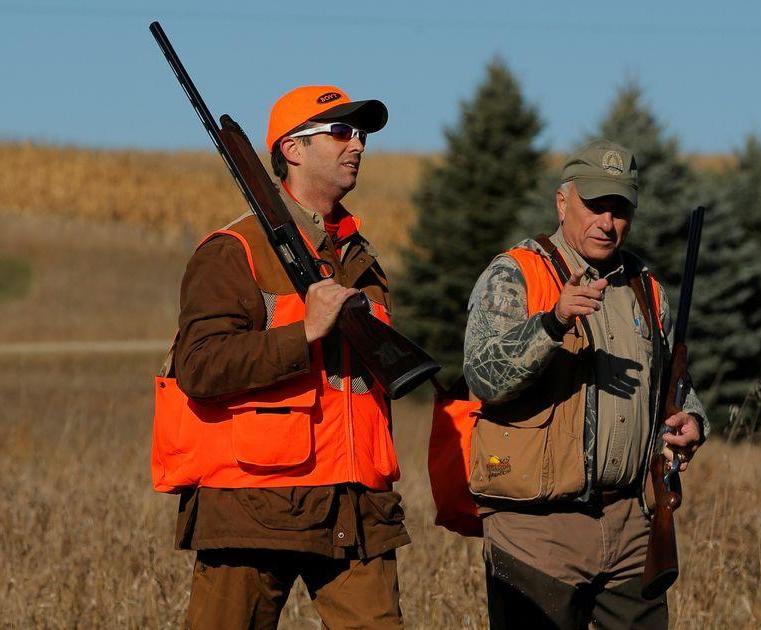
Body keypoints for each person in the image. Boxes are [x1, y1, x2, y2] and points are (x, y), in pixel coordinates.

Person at [165, 85, 408, 629]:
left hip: (354, 508)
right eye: (341, 132)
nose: (358, 145)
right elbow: (200, 367)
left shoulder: (358, 259)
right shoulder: (235, 250)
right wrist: (304, 333)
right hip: (255, 506)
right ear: (292, 150)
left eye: (361, 134)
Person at [462, 139, 709, 629]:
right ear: (562, 201)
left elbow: (670, 381)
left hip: (630, 526)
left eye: (619, 209)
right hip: (537, 531)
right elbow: (484, 376)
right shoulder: (516, 272)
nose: (607, 222)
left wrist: (691, 418)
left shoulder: (645, 285)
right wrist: (551, 324)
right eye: (595, 206)